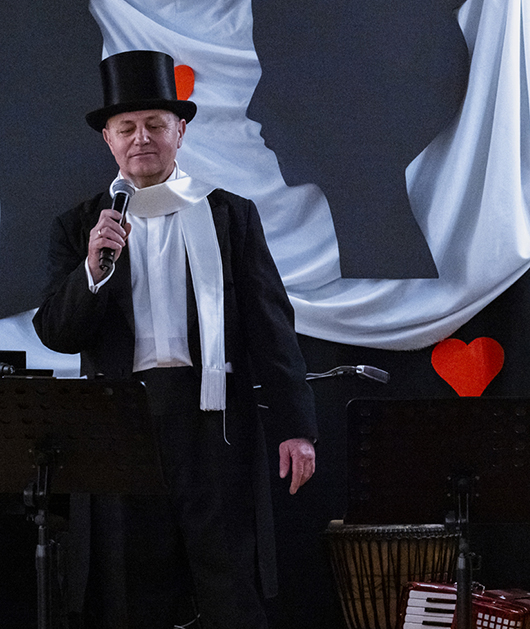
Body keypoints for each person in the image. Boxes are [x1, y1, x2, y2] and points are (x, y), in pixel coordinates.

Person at [34, 50, 319, 629]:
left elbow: (271, 328)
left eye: (155, 125)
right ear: (109, 140)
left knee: (229, 585)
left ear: (179, 132)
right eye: (127, 128)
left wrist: (296, 426)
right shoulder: (81, 226)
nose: (141, 138)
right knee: (131, 590)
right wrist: (91, 271)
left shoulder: (230, 215)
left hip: (212, 419)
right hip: (123, 422)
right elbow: (57, 333)